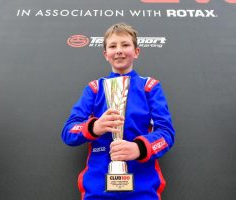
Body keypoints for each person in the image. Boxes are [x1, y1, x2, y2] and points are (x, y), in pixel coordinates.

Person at [61, 22, 175, 200]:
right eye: (113, 46)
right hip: (97, 188)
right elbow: (68, 132)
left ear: (136, 52)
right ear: (106, 54)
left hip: (143, 187)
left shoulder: (150, 87)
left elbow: (167, 134)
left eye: (125, 44)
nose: (119, 50)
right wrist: (94, 127)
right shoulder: (95, 89)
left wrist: (139, 148)